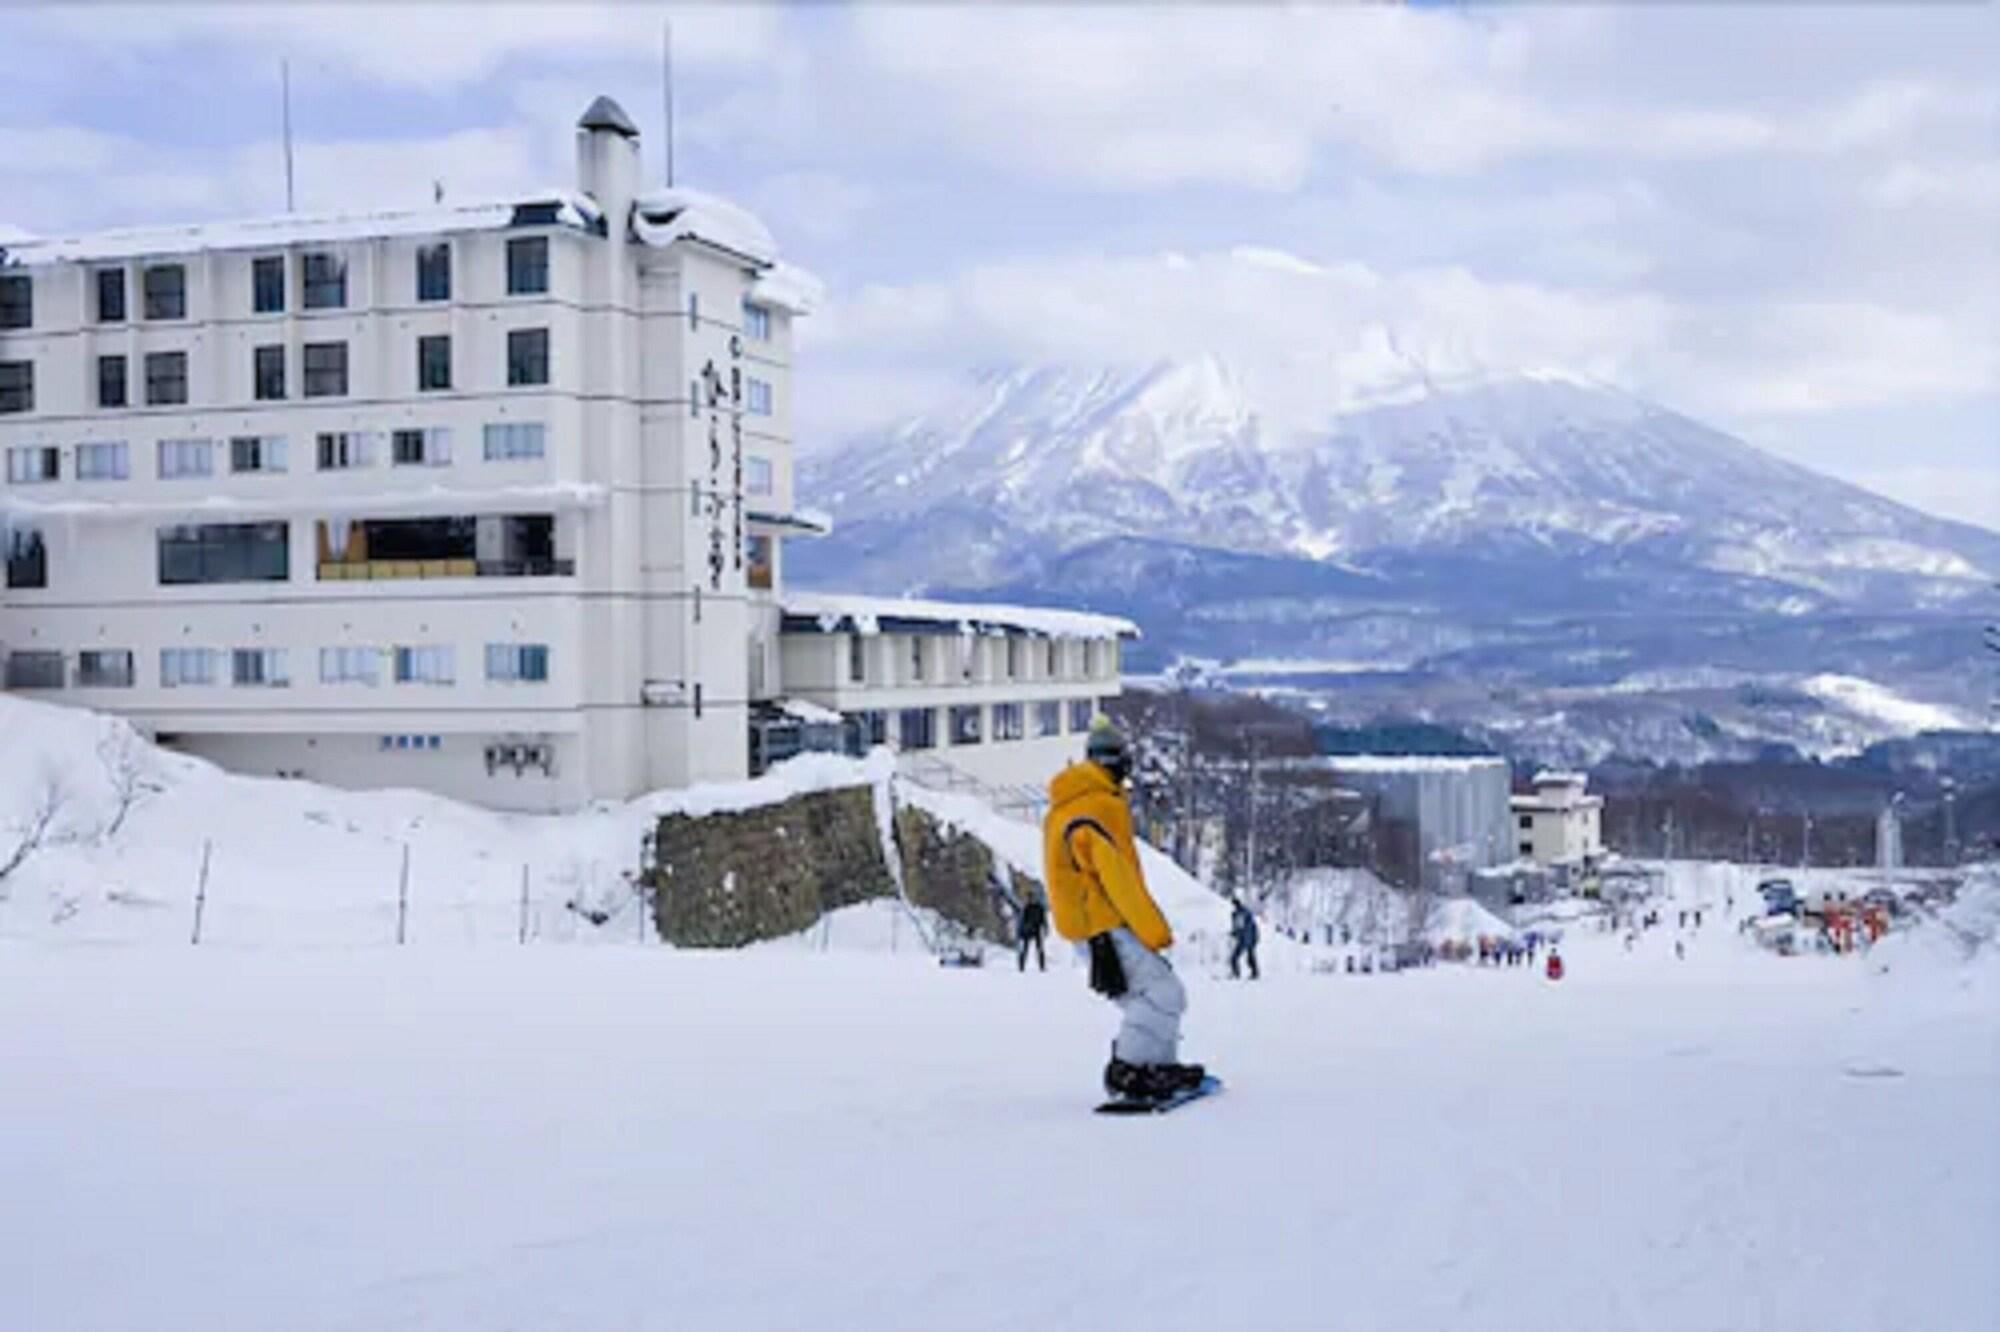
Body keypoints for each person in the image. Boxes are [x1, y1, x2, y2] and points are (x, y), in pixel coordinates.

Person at [1043, 720, 1204, 1102]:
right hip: (1102, 923)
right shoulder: (1098, 809)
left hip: (1089, 923)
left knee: (1150, 994)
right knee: (1160, 993)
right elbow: (1118, 879)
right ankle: (1130, 1071)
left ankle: (1156, 1065)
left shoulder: (1069, 806)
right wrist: (1154, 931)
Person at [1229, 895, 1261, 980]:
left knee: (1234, 958)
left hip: (1244, 939)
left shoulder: (1240, 914)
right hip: (1250, 938)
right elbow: (1250, 926)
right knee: (1250, 957)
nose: (1234, 906)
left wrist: (1235, 933)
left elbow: (1240, 927)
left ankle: (1236, 974)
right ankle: (1255, 973)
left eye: (1234, 904)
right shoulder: (1244, 913)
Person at [1016, 893, 1048, 972]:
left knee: (1040, 948)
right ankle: (1021, 967)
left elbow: (1043, 919)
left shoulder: (1040, 907)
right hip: (1026, 930)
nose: (1031, 900)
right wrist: (1021, 931)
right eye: (1029, 898)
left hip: (1036, 929)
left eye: (1032, 898)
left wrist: (1045, 927)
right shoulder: (1026, 907)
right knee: (1024, 949)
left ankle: (1042, 967)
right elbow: (1021, 921)